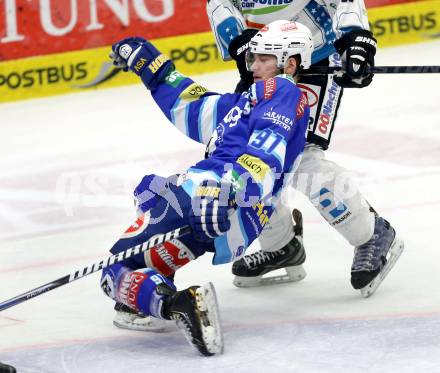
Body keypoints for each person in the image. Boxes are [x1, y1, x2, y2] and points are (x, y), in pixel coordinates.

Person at [101, 20, 313, 355]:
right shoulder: (247, 101)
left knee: (113, 272)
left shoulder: (281, 92)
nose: (254, 65)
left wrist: (226, 189)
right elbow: (193, 106)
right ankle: (169, 299)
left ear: (290, 64)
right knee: (146, 244)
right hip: (221, 212)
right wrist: (156, 69)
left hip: (209, 196)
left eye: (264, 59)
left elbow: (265, 153)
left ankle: (176, 303)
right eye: (252, 59)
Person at [206, 0, 404, 294]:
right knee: (243, 156)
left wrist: (356, 42)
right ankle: (281, 244)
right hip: (268, 58)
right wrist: (240, 43)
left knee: (301, 160)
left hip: (318, 54)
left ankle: (372, 234)